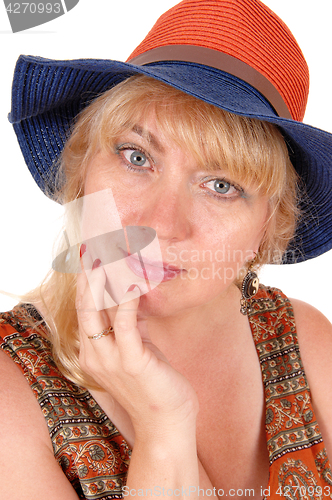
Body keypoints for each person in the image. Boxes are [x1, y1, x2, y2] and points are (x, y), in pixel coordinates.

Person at [1, 0, 332, 498]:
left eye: (221, 185)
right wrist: (164, 426)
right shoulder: (10, 388)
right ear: (81, 168)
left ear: (269, 227)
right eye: (137, 157)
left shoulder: (304, 340)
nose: (161, 224)